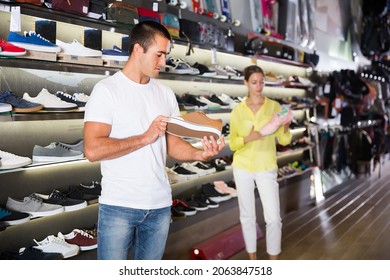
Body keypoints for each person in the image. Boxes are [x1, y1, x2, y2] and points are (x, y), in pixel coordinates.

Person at [83, 21, 225, 260]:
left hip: (159, 205)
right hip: (119, 205)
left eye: (166, 55)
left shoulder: (165, 94)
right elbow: (92, 150)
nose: (163, 62)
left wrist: (201, 154)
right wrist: (144, 137)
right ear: (138, 50)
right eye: (159, 55)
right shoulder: (106, 90)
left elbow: (171, 144)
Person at [229, 65, 292, 260]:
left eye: (262, 82)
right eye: (254, 82)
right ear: (246, 82)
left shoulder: (274, 107)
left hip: (266, 166)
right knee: (247, 216)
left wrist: (286, 127)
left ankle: (273, 260)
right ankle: (253, 260)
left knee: (273, 218)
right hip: (242, 166)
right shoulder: (237, 111)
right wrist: (248, 138)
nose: (259, 86)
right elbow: (232, 143)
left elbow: (284, 141)